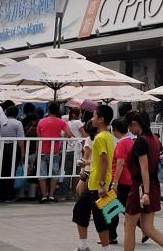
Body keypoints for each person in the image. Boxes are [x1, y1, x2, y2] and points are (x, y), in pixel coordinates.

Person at [123, 111, 163, 251]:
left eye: (129, 126)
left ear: (135, 124)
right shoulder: (154, 139)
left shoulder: (141, 141)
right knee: (148, 228)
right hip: (153, 185)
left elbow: (144, 168)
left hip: (140, 187)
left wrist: (145, 193)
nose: (129, 129)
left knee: (129, 225)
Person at [72, 105, 115, 251]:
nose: (92, 119)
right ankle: (83, 246)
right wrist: (87, 163)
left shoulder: (100, 138)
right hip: (94, 183)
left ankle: (105, 249)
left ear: (101, 119)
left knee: (100, 218)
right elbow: (100, 160)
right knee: (80, 211)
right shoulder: (108, 136)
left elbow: (104, 161)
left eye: (94, 116)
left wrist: (102, 184)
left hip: (98, 185)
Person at [108, 119, 147, 245]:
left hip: (121, 180)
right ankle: (145, 229)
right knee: (127, 209)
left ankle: (112, 236)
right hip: (129, 179)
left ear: (115, 129)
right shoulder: (130, 141)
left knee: (112, 208)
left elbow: (120, 163)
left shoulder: (121, 143)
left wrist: (115, 182)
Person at [37, 101, 71, 203]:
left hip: (42, 150)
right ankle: (51, 196)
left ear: (48, 110)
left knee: (42, 174)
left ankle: (44, 196)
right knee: (55, 173)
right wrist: (62, 140)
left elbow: (38, 137)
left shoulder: (41, 122)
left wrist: (37, 150)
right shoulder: (61, 122)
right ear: (58, 111)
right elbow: (69, 134)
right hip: (55, 151)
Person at [0, 105, 25, 202]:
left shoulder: (1, 122)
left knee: (1, 170)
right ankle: (9, 195)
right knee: (11, 171)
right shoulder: (18, 123)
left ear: (6, 112)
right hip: (13, 148)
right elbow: (21, 139)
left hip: (0, 147)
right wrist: (23, 152)